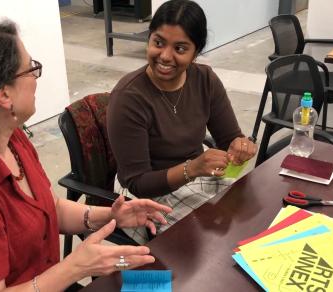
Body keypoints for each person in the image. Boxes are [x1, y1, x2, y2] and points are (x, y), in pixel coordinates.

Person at [0, 21, 172, 291]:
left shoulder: (11, 138)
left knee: (169, 281)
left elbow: (52, 209)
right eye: (31, 69)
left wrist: (111, 216)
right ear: (4, 94)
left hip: (47, 282)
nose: (36, 78)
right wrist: (77, 267)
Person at [107, 0, 257, 244]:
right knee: (210, 247)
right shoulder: (130, 98)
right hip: (146, 194)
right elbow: (137, 182)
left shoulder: (204, 80)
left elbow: (230, 138)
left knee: (250, 220)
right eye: (158, 43)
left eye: (180, 48)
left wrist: (241, 146)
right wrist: (192, 168)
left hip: (196, 180)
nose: (165, 56)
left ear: (195, 52)